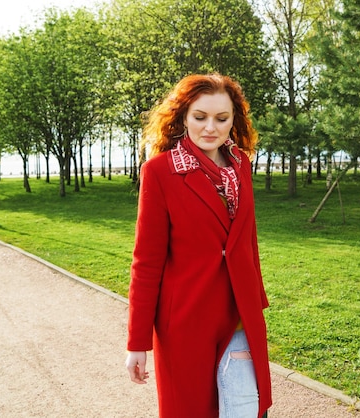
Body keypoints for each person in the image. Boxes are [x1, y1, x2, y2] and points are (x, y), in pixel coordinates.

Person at [125, 73, 272, 418]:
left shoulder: (241, 165)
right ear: (183, 117)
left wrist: (256, 301)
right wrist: (137, 343)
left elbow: (248, 242)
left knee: (247, 410)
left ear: (234, 119)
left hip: (240, 316)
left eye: (222, 118)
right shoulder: (160, 172)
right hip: (185, 322)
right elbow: (146, 262)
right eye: (200, 117)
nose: (211, 127)